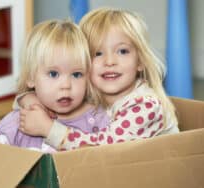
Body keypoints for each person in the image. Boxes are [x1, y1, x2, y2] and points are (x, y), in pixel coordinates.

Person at [18, 8, 179, 150]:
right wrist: (32, 101)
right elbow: (25, 105)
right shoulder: (89, 92)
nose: (110, 62)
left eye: (122, 51)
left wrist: (48, 129)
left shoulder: (145, 105)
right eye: (98, 53)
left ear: (140, 61)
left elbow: (105, 149)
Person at [0, 19, 110, 152]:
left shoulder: (99, 118)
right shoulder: (18, 121)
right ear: (31, 77)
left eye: (76, 75)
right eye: (53, 74)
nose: (66, 85)